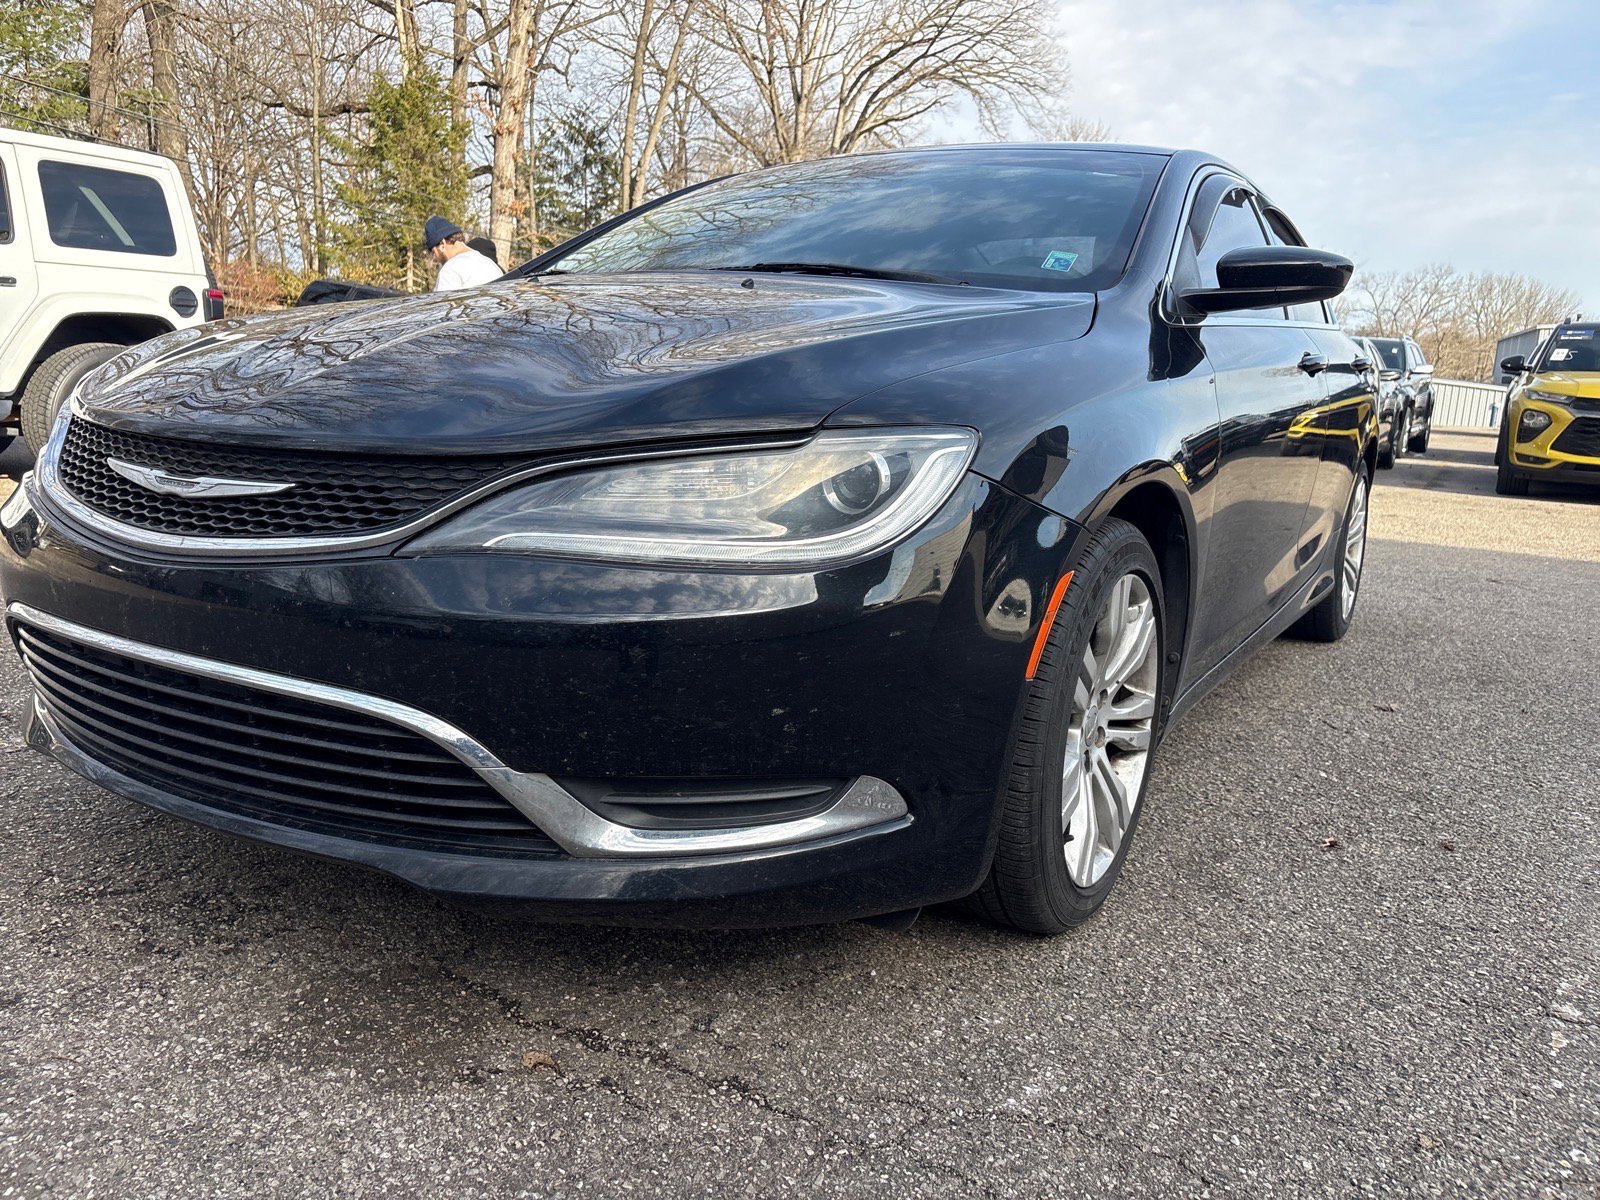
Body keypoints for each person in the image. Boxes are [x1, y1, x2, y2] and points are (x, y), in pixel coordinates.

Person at [424, 215, 502, 291]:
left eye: (434, 252)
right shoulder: (490, 264)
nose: (435, 258)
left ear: (442, 244)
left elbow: (442, 303)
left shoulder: (450, 270)